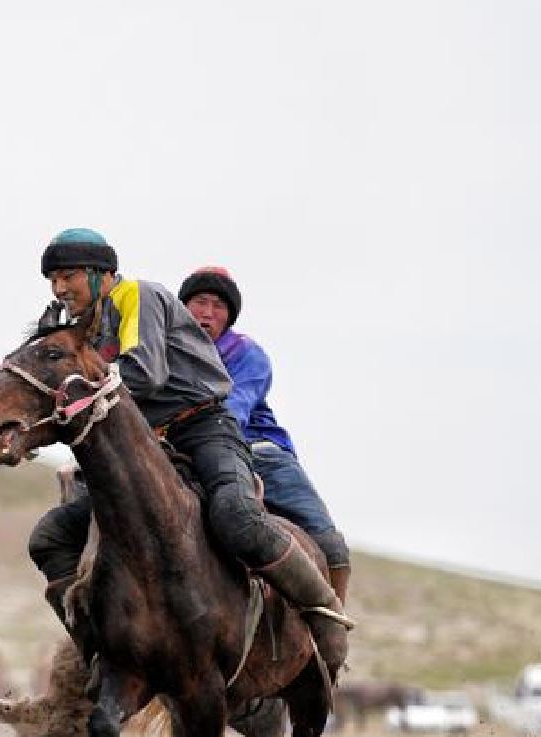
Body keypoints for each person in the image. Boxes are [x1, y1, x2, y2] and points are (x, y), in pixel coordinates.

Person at [23, 229, 351, 662]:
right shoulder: (91, 326)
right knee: (52, 536)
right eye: (53, 279)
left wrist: (68, 400)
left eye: (68, 275)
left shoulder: (136, 296)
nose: (59, 287)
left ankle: (324, 615)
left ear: (103, 275)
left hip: (209, 428)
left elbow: (142, 373)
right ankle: (96, 648)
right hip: (153, 441)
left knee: (237, 517)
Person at [177, 266, 351, 602]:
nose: (208, 313)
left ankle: (333, 632)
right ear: (182, 306)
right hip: (184, 447)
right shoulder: (165, 351)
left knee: (330, 545)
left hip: (258, 450)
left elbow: (233, 411)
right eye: (200, 302)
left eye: (219, 306)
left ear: (229, 318)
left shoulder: (245, 353)